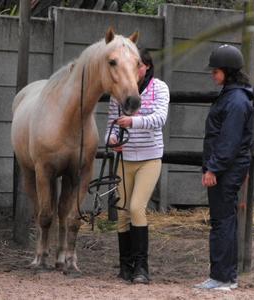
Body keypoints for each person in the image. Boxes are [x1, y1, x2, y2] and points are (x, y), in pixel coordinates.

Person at [105, 48, 170, 284]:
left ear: (147, 67)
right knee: (122, 212)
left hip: (149, 158)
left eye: (138, 65)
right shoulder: (119, 93)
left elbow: (159, 119)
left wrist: (132, 122)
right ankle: (126, 266)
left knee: (136, 208)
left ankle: (142, 267)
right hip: (125, 158)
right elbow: (110, 127)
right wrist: (112, 142)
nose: (135, 70)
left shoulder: (159, 88)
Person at [195, 44, 254, 291]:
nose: (212, 74)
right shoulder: (231, 95)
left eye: (216, 71)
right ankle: (224, 275)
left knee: (222, 222)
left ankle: (222, 277)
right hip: (227, 167)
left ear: (227, 72)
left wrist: (213, 169)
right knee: (224, 220)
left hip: (226, 169)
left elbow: (228, 141)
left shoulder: (236, 100)